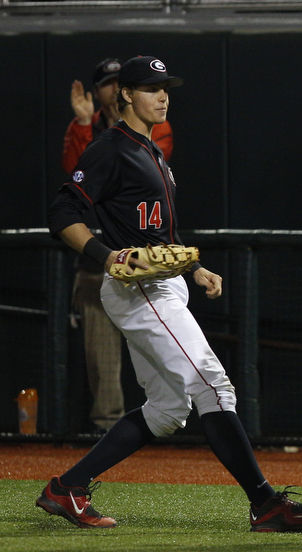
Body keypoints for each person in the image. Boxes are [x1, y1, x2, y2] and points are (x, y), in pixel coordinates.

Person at [41, 55, 302, 532]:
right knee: (212, 385)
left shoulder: (152, 151)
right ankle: (265, 503)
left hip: (163, 284)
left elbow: (159, 234)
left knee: (169, 408)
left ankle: (66, 489)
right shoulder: (111, 148)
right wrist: (106, 255)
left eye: (166, 88)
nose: (163, 95)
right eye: (152, 88)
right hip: (139, 288)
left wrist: (195, 267)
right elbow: (62, 212)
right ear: (126, 95)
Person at [63, 58, 175, 434]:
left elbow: (143, 162)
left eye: (117, 82)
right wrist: (82, 125)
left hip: (146, 267)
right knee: (104, 363)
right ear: (102, 92)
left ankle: (142, 442)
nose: (111, 90)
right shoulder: (89, 133)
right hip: (100, 263)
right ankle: (107, 437)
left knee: (166, 382)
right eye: (106, 84)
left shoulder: (150, 131)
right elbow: (72, 178)